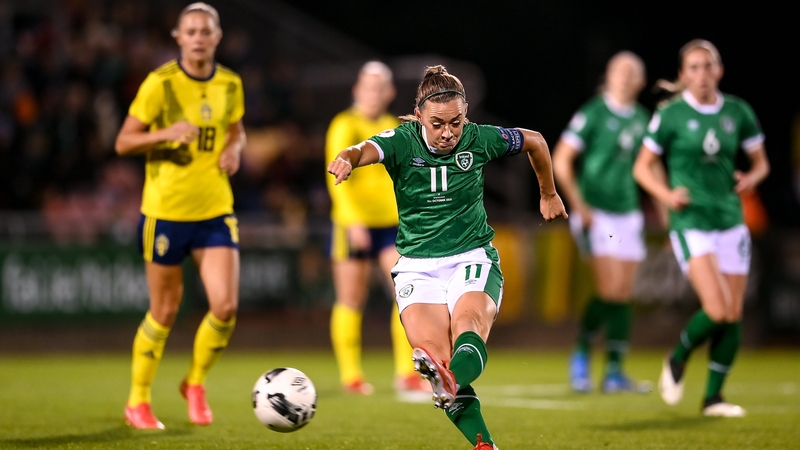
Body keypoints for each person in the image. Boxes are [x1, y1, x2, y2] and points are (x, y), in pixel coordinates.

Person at [328, 65, 567, 450]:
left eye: (455, 122)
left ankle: (446, 380)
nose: (447, 133)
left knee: (468, 326)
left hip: (470, 257)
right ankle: (483, 443)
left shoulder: (479, 139)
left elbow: (536, 141)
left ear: (466, 115)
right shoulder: (402, 140)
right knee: (434, 357)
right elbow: (364, 149)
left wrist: (548, 192)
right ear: (419, 115)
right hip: (416, 267)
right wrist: (347, 159)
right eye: (437, 123)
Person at [114, 2, 246, 429]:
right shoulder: (160, 84)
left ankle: (195, 383)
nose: (198, 38)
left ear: (217, 37)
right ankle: (137, 401)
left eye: (206, 31)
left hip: (214, 209)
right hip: (166, 212)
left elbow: (236, 129)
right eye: (190, 31)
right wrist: (166, 134)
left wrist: (235, 150)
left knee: (224, 306)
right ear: (178, 37)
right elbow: (123, 142)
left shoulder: (230, 83)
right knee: (165, 310)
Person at [633, 39, 769, 417]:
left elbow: (761, 163)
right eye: (693, 67)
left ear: (719, 70)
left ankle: (713, 399)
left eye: (708, 66)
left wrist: (752, 177)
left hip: (730, 220)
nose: (702, 74)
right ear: (683, 75)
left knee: (734, 312)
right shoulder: (670, 114)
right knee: (717, 308)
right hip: (691, 221)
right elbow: (642, 167)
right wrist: (667, 195)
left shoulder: (738, 111)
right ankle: (677, 358)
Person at [325, 61, 430, 398]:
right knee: (351, 298)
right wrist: (352, 220)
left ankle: (406, 372)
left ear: (389, 93)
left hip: (391, 224)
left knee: (406, 292)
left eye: (378, 87)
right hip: (352, 223)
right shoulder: (344, 125)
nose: (372, 93)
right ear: (357, 90)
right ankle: (352, 375)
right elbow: (335, 177)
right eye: (367, 86)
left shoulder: (391, 126)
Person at [552, 51, 651, 393]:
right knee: (609, 290)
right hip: (597, 212)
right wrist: (579, 204)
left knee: (622, 294)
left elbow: (650, 165)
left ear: (641, 81)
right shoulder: (594, 112)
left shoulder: (642, 118)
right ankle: (580, 355)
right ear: (608, 76)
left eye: (631, 71)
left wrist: (666, 205)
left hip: (629, 213)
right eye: (617, 70)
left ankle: (613, 372)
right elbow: (562, 159)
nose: (623, 77)